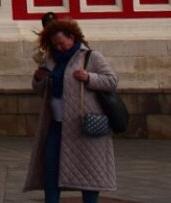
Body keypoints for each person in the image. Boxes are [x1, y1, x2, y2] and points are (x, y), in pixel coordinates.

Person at [23, 18, 117, 203]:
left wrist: (89, 77)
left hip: (83, 126)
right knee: (50, 170)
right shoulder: (51, 61)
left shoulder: (90, 57)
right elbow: (42, 91)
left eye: (62, 43)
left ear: (72, 37)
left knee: (89, 173)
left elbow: (112, 81)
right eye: (55, 44)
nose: (59, 48)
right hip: (56, 125)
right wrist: (39, 78)